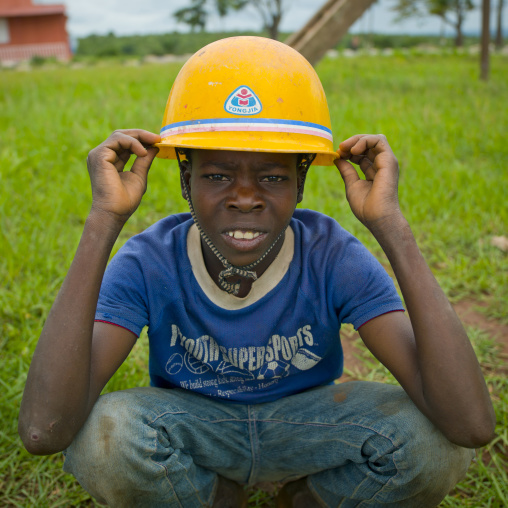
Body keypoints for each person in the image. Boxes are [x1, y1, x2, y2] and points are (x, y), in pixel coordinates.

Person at [19, 37, 495, 508]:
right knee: (105, 436)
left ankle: (310, 499)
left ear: (301, 182)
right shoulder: (150, 260)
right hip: (197, 429)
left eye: (272, 177)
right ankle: (212, 497)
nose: (244, 197)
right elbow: (45, 430)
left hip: (308, 428)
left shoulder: (331, 254)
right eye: (217, 175)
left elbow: (469, 426)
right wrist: (104, 218)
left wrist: (391, 226)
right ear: (185, 179)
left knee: (433, 445)